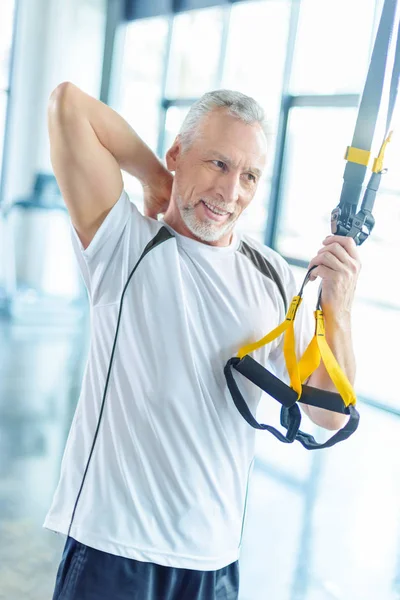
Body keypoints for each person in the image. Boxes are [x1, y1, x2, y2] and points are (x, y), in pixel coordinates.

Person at [44, 83, 361, 600]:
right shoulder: (124, 243)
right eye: (217, 163)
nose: (230, 191)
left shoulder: (274, 276)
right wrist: (155, 178)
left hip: (212, 561)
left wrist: (338, 310)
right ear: (177, 154)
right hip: (111, 547)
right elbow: (68, 106)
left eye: (249, 175)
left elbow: (329, 414)